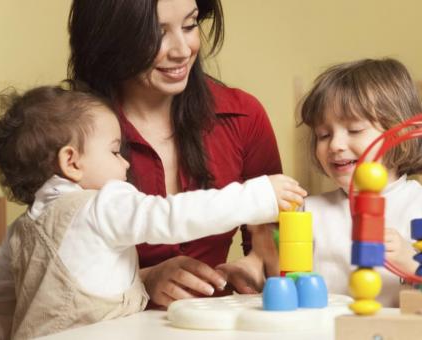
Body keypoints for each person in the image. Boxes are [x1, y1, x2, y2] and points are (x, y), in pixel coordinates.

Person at [0, 85, 306, 339]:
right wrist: (257, 195)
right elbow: (173, 216)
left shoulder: (23, 227)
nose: (125, 162)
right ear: (72, 161)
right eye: (115, 151)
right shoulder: (103, 205)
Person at [67, 0, 283, 306]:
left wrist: (253, 265)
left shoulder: (243, 115)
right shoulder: (66, 132)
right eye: (157, 32)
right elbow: (52, 270)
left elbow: (273, 239)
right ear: (110, 37)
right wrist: (142, 281)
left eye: (190, 25)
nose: (182, 50)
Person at [299, 58, 422, 307]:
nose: (335, 145)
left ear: (401, 133)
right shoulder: (308, 211)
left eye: (354, 129)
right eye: (324, 135)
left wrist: (410, 260)